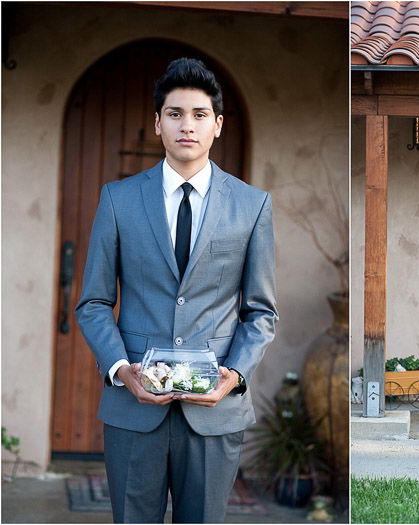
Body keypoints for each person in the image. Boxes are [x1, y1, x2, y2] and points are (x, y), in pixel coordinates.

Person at [75, 57, 278, 522]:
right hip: (134, 407)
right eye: (175, 114)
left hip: (214, 411)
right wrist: (121, 371)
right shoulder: (118, 199)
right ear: (157, 123)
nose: (187, 125)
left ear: (218, 125)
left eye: (199, 115)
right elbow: (93, 302)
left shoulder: (252, 205)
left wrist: (234, 375)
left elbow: (262, 311)